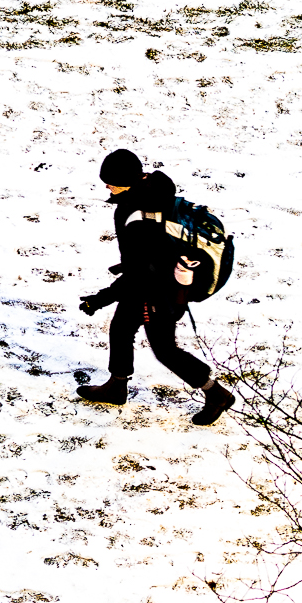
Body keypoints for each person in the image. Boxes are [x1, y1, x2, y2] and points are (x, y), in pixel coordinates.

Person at [75, 149, 236, 426]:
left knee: (164, 349)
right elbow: (142, 265)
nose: (106, 186)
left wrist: (100, 299)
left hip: (163, 291)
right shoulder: (153, 191)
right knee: (122, 326)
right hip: (156, 280)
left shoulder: (136, 214)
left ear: (127, 181)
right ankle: (116, 386)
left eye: (111, 180)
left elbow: (138, 273)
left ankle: (217, 395)